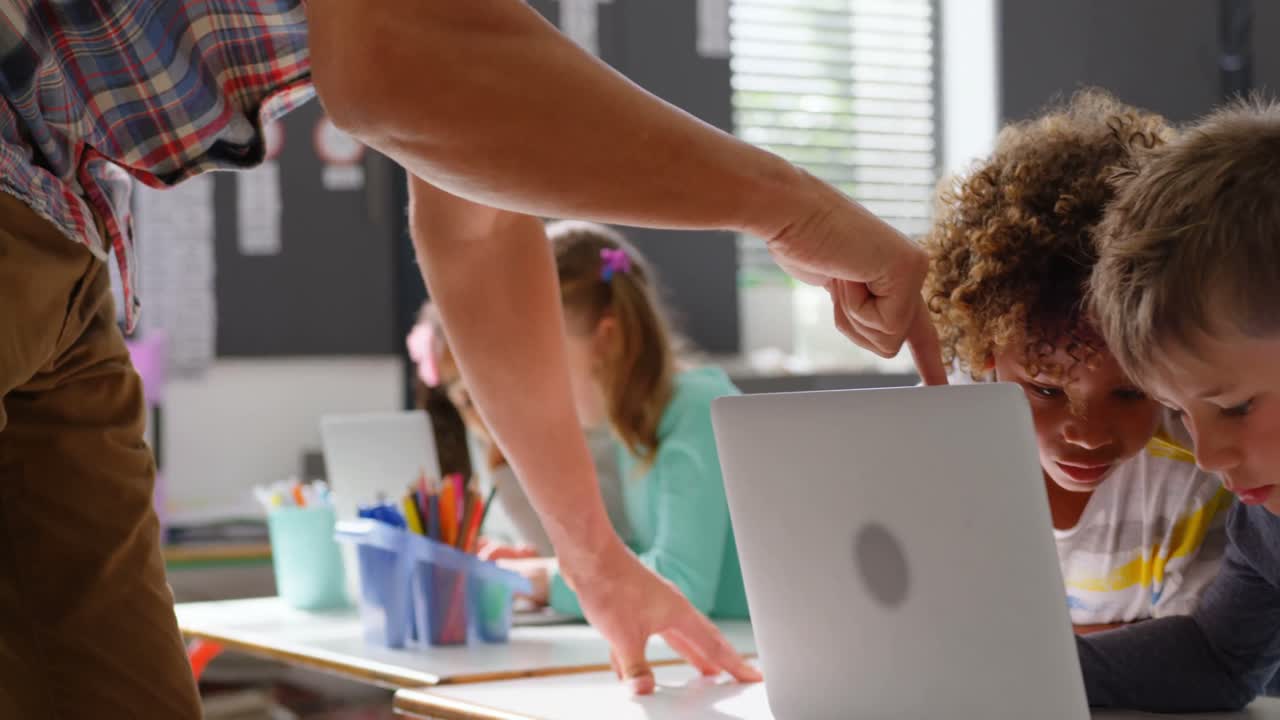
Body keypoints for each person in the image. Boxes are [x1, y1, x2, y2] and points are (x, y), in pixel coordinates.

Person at [0, 2, 943, 714]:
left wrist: (597, 560)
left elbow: (478, 220)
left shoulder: (687, 405)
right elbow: (389, 66)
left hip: (69, 212)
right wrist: (791, 205)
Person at [923, 91, 1231, 633]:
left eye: (1132, 393)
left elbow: (1192, 658)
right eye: (1045, 390)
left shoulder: (1198, 475)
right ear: (986, 354)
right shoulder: (945, 457)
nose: (1088, 435)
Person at [1077, 97, 1280, 712]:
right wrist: (1019, 662)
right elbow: (1217, 656)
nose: (1208, 454)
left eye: (1237, 406)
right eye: (1179, 413)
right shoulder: (1267, 524)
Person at [494, 221, 749, 620]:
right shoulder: (637, 420)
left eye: (546, 358)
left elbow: (682, 585)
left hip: (753, 654)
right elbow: (644, 558)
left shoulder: (695, 411)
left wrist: (543, 580)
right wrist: (553, 566)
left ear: (606, 338)